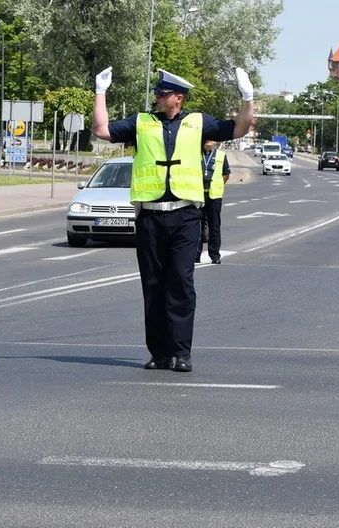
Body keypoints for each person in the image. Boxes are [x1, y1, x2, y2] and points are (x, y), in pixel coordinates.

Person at [92, 67, 254, 373]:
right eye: (156, 93)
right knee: (153, 285)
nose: (157, 97)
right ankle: (160, 353)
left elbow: (239, 129)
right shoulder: (141, 122)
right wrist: (100, 92)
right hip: (150, 216)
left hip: (186, 215)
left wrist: (248, 97)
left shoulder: (198, 122)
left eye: (162, 94)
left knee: (181, 282)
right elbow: (101, 130)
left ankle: (181, 352)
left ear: (178, 98)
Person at [199, 139, 230, 265]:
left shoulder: (221, 155)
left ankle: (214, 255)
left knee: (214, 227)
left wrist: (217, 185)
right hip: (198, 195)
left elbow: (226, 174)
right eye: (206, 139)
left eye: (211, 139)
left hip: (214, 196)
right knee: (197, 227)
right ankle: (195, 255)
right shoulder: (196, 154)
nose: (209, 141)